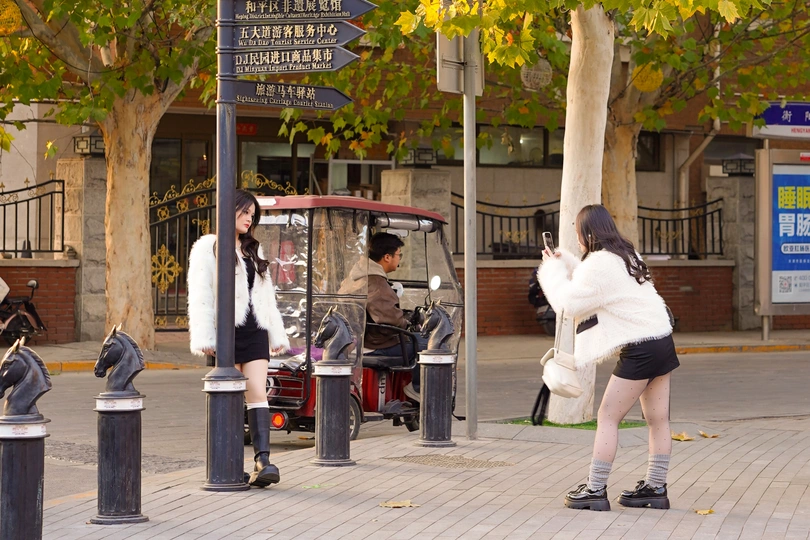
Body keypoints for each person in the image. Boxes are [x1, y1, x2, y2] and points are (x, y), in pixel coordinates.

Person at [538, 204, 678, 511]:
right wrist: (568, 263)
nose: (577, 239)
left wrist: (551, 270)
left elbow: (568, 303)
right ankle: (655, 488)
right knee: (658, 419)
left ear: (588, 233)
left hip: (640, 348)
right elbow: (594, 285)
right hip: (662, 341)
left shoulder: (599, 264)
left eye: (578, 233)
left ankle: (595, 489)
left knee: (607, 417)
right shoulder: (627, 255)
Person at [187, 189, 290, 488]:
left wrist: (276, 332)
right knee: (231, 397)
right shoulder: (207, 247)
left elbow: (266, 296)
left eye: (252, 215)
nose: (249, 219)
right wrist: (206, 336)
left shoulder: (252, 250)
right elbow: (201, 294)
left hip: (255, 330)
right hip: (226, 333)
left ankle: (263, 461)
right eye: (244, 212)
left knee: (257, 390)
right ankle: (231, 463)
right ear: (228, 210)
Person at [340, 232, 427, 403]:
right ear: (387, 257)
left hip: (356, 340)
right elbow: (391, 321)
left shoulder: (357, 276)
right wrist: (407, 321)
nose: (399, 259)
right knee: (426, 343)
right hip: (374, 345)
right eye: (398, 255)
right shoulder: (377, 283)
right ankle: (417, 389)